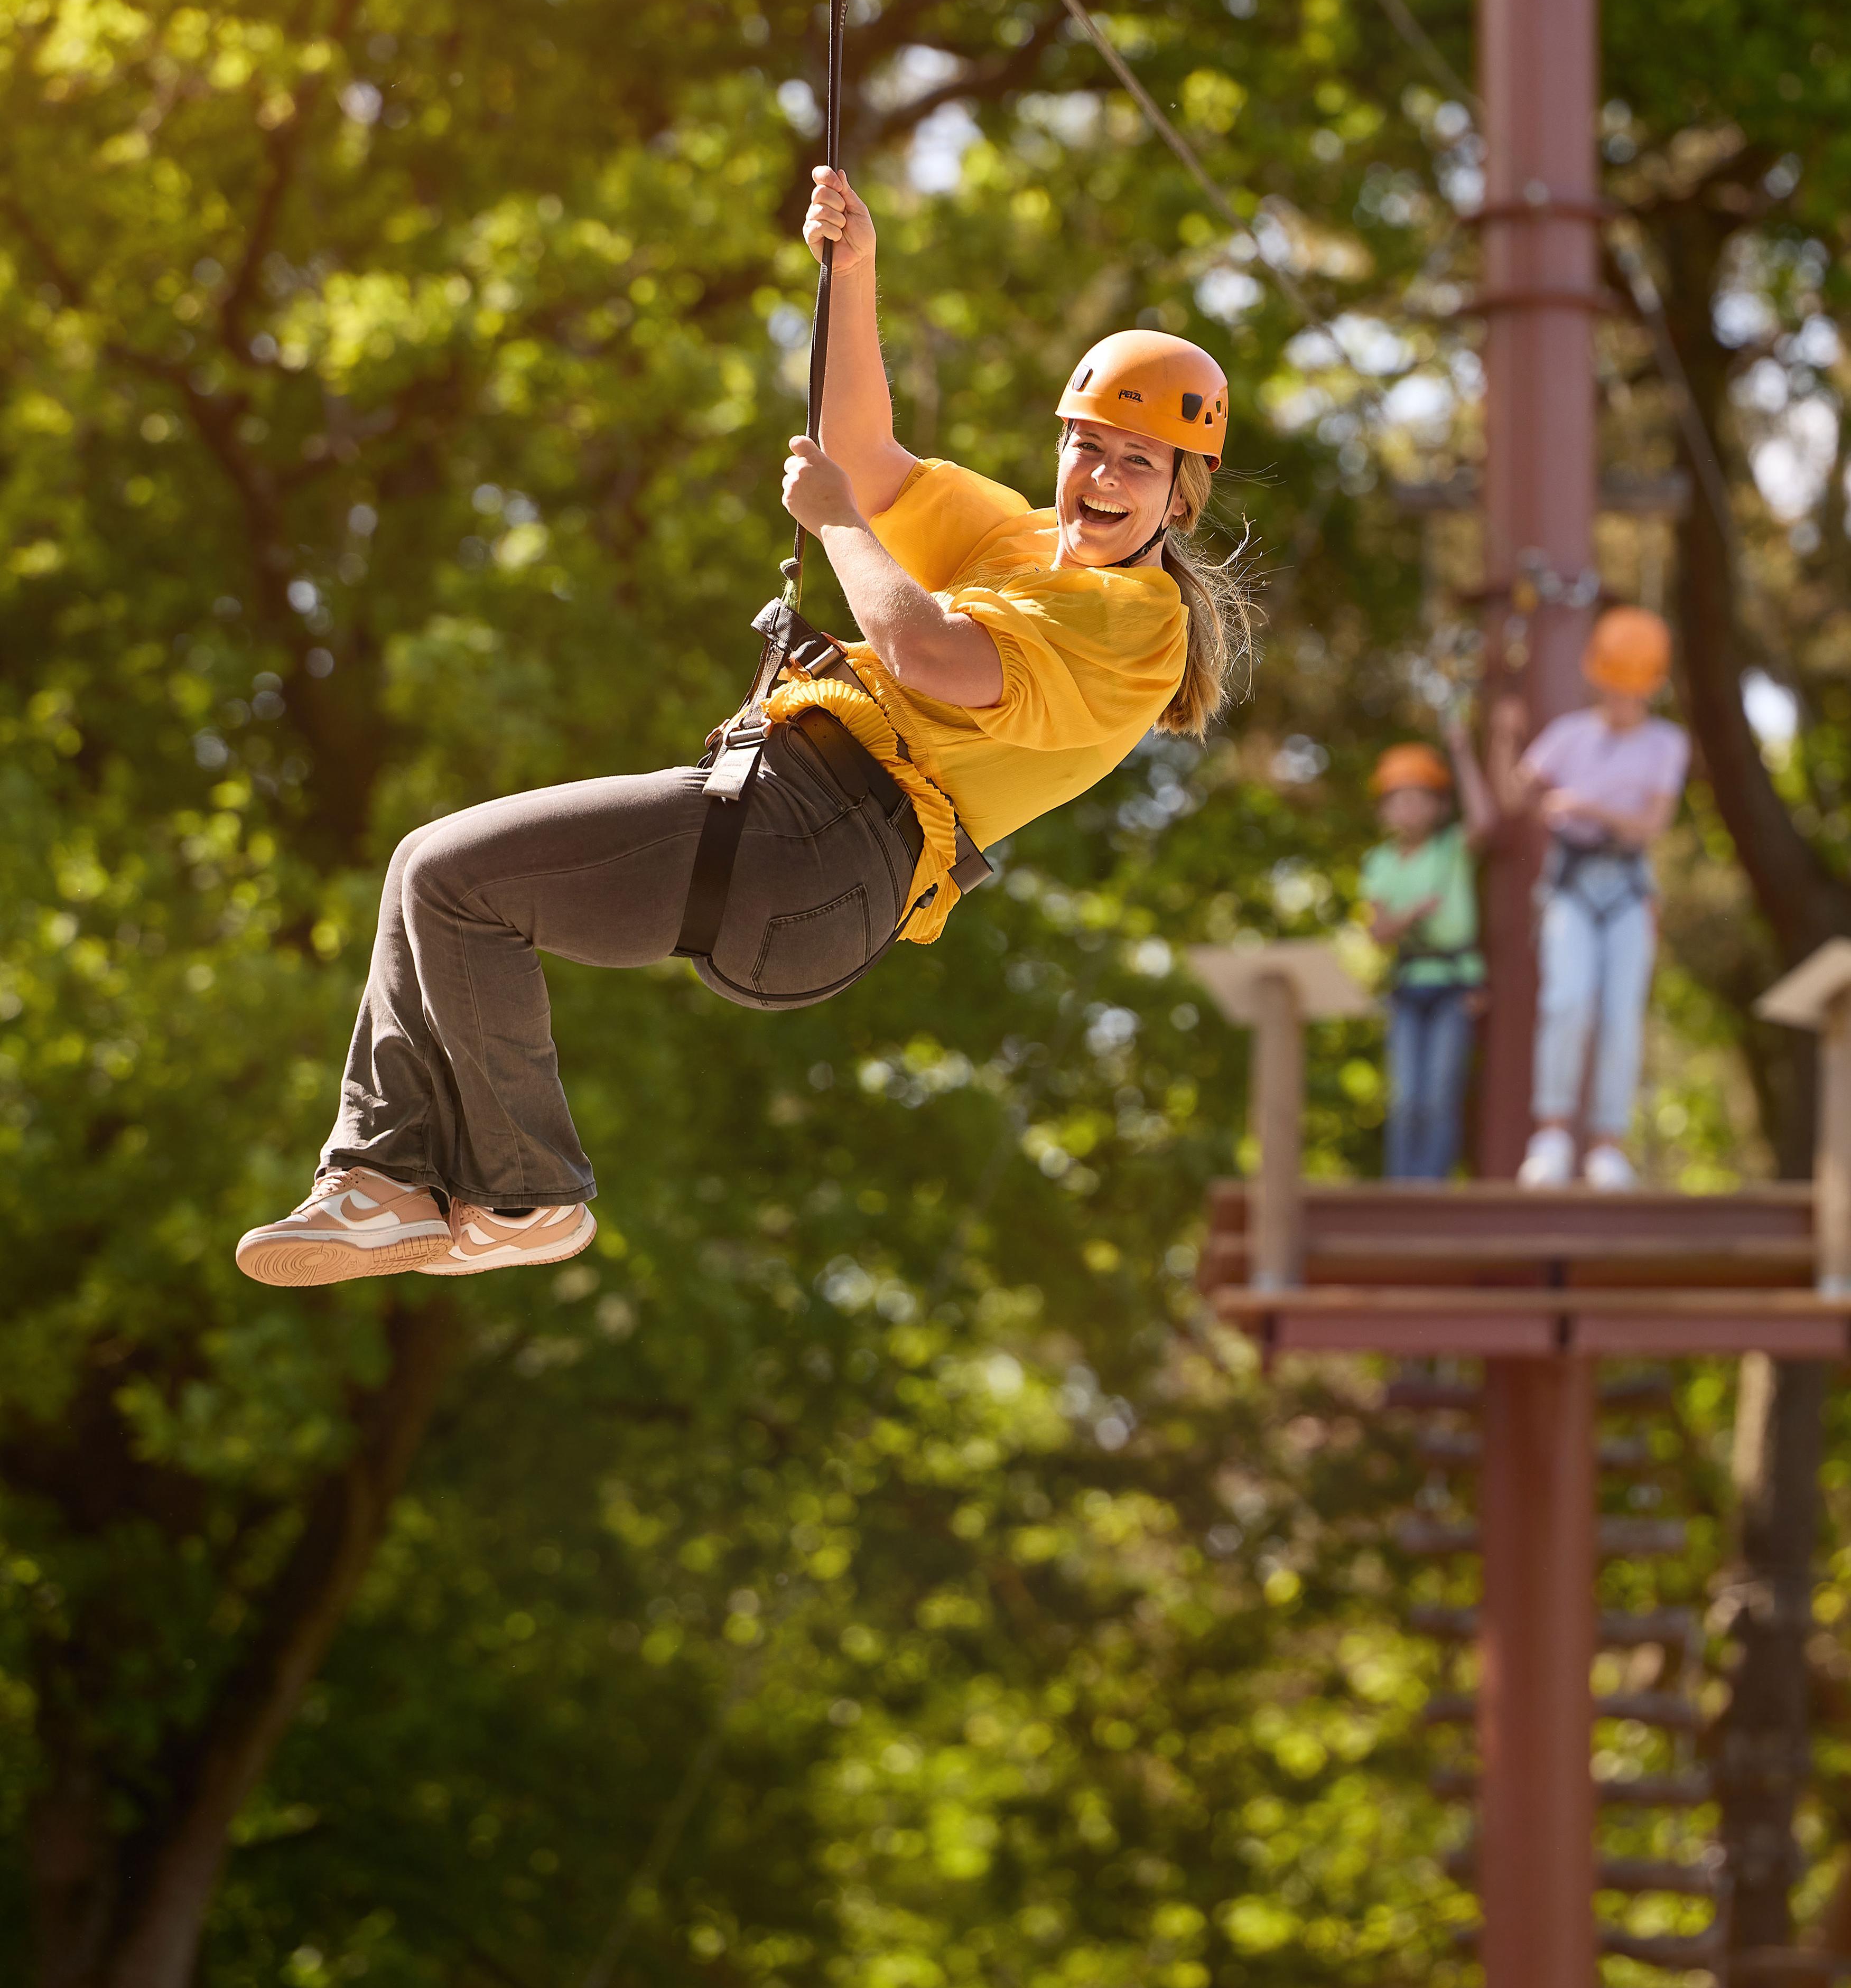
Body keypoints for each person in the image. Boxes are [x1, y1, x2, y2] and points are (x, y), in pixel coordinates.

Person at [236, 166, 1250, 1287]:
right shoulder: (1011, 541)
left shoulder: (1137, 625)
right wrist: (855, 271)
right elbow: (865, 457)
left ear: (1181, 493)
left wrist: (841, 531)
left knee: (448, 875)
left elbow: (928, 654)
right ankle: (384, 1181)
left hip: (824, 850)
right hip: (787, 837)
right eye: (1088, 446)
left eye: (1138, 463)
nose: (1102, 478)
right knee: (438, 882)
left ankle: (522, 1193)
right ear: (1059, 446)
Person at [1487, 606, 1690, 1191]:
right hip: (1571, 887)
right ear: (1597, 679)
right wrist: (1504, 734)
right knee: (1567, 1001)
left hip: (1628, 890)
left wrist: (1583, 805)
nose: (1622, 698)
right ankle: (1551, 1135)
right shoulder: (1571, 735)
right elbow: (1513, 796)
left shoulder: (1665, 743)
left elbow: (1649, 825)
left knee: (1621, 1014)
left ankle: (1607, 1145)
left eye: (1633, 689)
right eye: (1614, 686)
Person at [1359, 725, 1495, 1181]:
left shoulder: (1450, 850)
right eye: (1400, 799)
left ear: (1438, 806)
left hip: (1455, 986)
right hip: (1407, 986)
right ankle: (1401, 1190)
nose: (1409, 808)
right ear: (1385, 809)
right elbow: (1377, 933)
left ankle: (1430, 1189)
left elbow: (1485, 824)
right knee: (1405, 1098)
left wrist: (1461, 752)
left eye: (1419, 798)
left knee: (1440, 1095)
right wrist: (1412, 914)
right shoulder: (1378, 864)